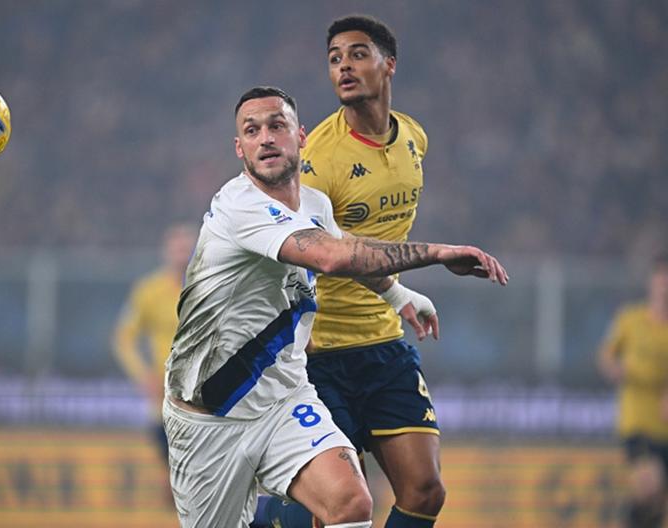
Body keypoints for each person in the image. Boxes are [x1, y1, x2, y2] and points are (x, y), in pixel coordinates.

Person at [162, 86, 508, 528]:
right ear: (239, 147)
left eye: (277, 125)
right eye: (252, 130)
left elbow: (343, 245)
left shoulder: (315, 204)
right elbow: (330, 257)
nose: (265, 138)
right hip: (210, 417)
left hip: (283, 400)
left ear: (301, 136)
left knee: (351, 503)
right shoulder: (239, 206)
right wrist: (438, 253)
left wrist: (397, 295)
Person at [284, 15, 449, 528]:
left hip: (383, 345)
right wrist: (401, 288)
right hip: (321, 353)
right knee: (341, 508)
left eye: (357, 54)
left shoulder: (414, 138)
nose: (344, 67)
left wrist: (398, 300)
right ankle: (261, 515)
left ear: (389, 64)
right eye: (335, 58)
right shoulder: (318, 158)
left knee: (425, 492)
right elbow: (331, 253)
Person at [112, 223, 197, 485]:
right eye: (177, 248)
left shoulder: (208, 287)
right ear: (166, 251)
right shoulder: (149, 290)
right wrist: (143, 376)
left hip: (203, 387)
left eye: (187, 248)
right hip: (165, 391)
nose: (182, 254)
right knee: (171, 467)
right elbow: (123, 338)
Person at [598, 253, 668, 528]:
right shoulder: (630, 320)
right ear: (652, 281)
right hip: (638, 424)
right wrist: (614, 369)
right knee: (649, 484)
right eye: (661, 277)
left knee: (656, 501)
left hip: (664, 427)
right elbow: (606, 356)